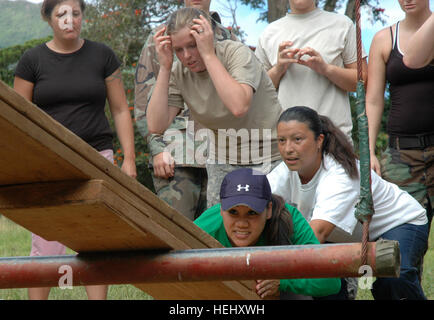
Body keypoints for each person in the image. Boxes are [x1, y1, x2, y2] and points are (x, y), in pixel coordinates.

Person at [14, 0, 137, 300]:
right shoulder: (31, 60)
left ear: (83, 16)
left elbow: (120, 110)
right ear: (49, 18)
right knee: (46, 243)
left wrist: (129, 159)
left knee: (96, 240)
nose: (70, 20)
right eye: (61, 14)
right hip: (49, 164)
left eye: (76, 13)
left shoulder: (103, 55)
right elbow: (18, 119)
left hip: (97, 158)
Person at [267, 106, 429, 300]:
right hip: (345, 235)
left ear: (319, 140)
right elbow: (255, 202)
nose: (288, 149)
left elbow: (316, 235)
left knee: (395, 277)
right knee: (325, 285)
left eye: (297, 139)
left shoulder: (340, 174)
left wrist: (272, 270)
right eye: (282, 140)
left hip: (400, 222)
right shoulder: (286, 170)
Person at [146, 7, 283, 208]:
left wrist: (209, 55)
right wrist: (165, 67)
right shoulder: (178, 71)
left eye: (192, 45)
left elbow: (238, 106)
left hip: (269, 156)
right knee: (220, 230)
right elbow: (156, 125)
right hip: (223, 159)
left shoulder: (236, 53)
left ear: (207, 36)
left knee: (273, 226)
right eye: (179, 50)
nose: (187, 56)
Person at [134, 0, 238, 220]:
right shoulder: (161, 38)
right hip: (176, 158)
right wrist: (157, 147)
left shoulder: (227, 38)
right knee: (178, 238)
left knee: (219, 239)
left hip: (221, 154)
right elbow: (144, 102)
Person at [194, 167, 341, 299]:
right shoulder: (206, 228)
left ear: (269, 209)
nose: (242, 223)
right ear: (221, 210)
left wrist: (283, 281)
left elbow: (331, 281)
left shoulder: (291, 221)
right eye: (233, 212)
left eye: (252, 213)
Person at [255, 0, 367, 142]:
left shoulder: (343, 24)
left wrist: (326, 69)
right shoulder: (268, 33)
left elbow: (363, 81)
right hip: (287, 144)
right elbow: (257, 94)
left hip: (334, 141)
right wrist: (278, 69)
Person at [366, 1, 433, 229]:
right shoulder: (384, 39)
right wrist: (369, 151)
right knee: (405, 235)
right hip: (401, 155)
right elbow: (374, 100)